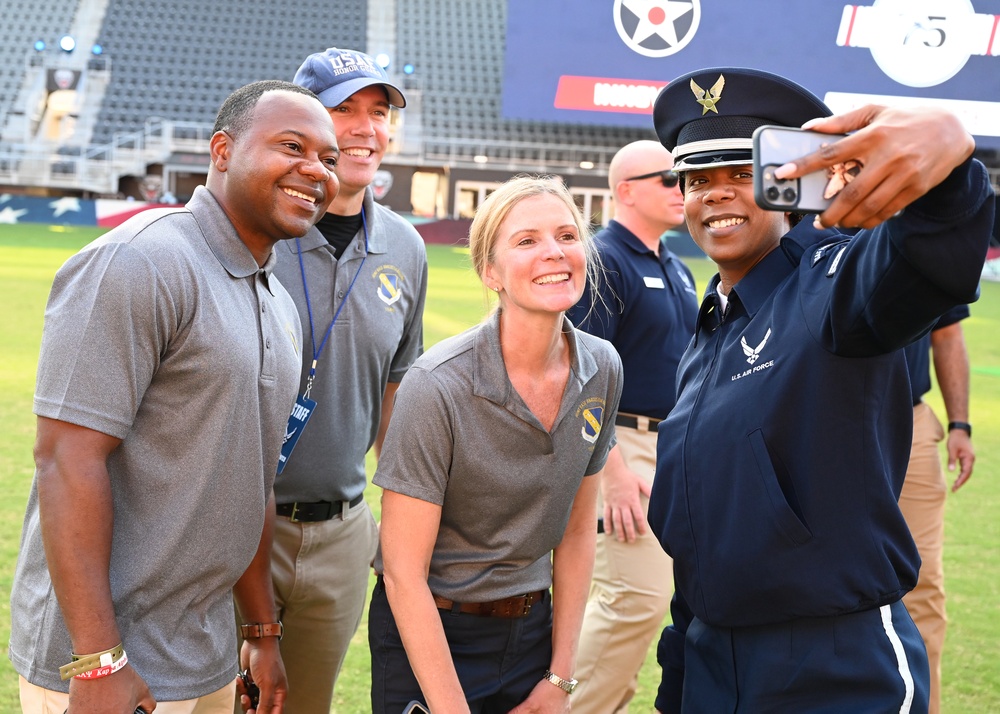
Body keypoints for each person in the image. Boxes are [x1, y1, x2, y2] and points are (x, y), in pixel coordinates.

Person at [645, 67, 994, 713]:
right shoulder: (709, 328)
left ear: (788, 186)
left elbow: (928, 256)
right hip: (711, 657)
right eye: (698, 180)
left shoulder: (830, 280)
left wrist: (949, 159)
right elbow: (699, 534)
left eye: (742, 174)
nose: (717, 195)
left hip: (830, 665)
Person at [8, 79, 339, 714]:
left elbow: (252, 481)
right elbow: (66, 460)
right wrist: (100, 661)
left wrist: (262, 632)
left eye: (328, 158)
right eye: (292, 146)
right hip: (106, 659)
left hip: (204, 650)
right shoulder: (140, 260)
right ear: (222, 151)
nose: (315, 171)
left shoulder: (277, 302)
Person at [369, 176, 624, 713]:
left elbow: (578, 534)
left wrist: (560, 679)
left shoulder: (602, 366)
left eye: (566, 235)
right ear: (491, 271)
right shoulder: (436, 384)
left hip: (532, 635)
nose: (554, 252)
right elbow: (403, 573)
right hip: (434, 632)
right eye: (527, 241)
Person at [256, 47, 428, 714]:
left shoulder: (406, 248)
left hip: (340, 534)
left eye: (378, 112)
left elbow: (397, 387)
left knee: (306, 705)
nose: (364, 128)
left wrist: (402, 519)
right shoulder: (260, 227)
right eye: (343, 110)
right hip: (238, 522)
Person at [565, 140, 697, 714]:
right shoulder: (604, 259)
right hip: (621, 446)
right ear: (625, 191)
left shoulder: (675, 263)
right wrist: (613, 471)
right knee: (633, 600)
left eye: (685, 179)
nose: (683, 189)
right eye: (669, 179)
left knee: (653, 603)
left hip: (673, 448)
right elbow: (578, 373)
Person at [900, 307, 975, 714]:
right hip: (820, 421)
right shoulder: (801, 240)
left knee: (923, 583)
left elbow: (946, 333)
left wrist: (960, 425)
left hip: (909, 424)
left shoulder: (921, 243)